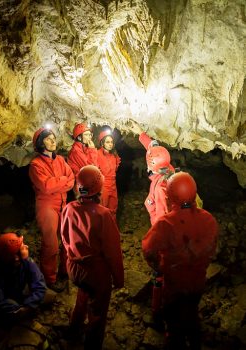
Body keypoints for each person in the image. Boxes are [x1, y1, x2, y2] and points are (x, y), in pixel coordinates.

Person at [142, 172, 219, 350]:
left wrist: (159, 266)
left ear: (170, 194)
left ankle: (174, 340)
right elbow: (211, 249)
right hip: (197, 281)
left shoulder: (165, 223)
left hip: (174, 283)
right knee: (191, 312)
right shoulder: (209, 219)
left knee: (173, 319)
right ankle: (194, 340)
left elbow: (148, 249)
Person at [60, 165, 124, 350]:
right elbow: (113, 251)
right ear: (99, 188)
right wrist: (119, 278)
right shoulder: (103, 215)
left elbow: (64, 238)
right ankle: (92, 344)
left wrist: (71, 260)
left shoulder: (69, 208)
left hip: (75, 267)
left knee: (82, 294)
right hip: (95, 273)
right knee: (97, 311)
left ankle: (73, 331)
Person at [29, 127, 75, 292]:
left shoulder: (61, 160)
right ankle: (49, 279)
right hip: (46, 205)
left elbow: (71, 181)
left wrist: (59, 182)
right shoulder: (35, 165)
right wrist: (62, 181)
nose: (53, 141)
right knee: (51, 244)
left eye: (53, 138)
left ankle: (64, 271)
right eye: (48, 139)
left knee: (67, 240)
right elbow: (46, 187)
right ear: (41, 143)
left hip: (63, 203)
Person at [0, 232, 52, 323]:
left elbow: (40, 285)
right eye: (22, 247)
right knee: (9, 311)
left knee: (48, 295)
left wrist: (28, 306)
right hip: (9, 301)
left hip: (20, 294)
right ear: (16, 257)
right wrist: (19, 310)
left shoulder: (26, 262)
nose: (27, 247)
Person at [128, 119, 175, 226]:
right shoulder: (168, 168)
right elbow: (155, 149)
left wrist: (157, 235)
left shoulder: (160, 187)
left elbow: (162, 217)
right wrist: (141, 133)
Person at [97, 127, 121, 219]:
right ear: (102, 143)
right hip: (103, 186)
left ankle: (112, 231)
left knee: (113, 209)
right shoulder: (97, 154)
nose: (110, 144)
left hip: (113, 185)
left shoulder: (114, 155)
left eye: (111, 142)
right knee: (103, 209)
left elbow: (115, 168)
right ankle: (102, 232)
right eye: (107, 142)